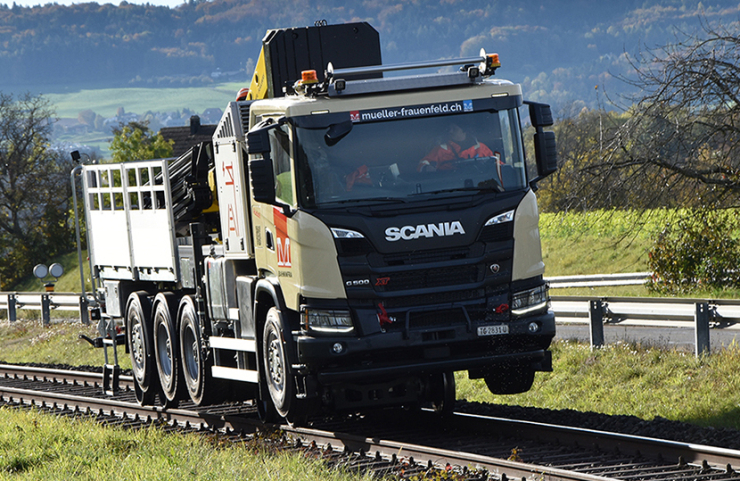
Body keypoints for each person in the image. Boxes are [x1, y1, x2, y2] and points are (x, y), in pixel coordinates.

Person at [417, 123, 494, 172]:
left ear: (464, 130)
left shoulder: (481, 148)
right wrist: (426, 168)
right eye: (449, 129)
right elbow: (423, 163)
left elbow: (498, 165)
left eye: (454, 129)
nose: (450, 131)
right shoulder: (441, 149)